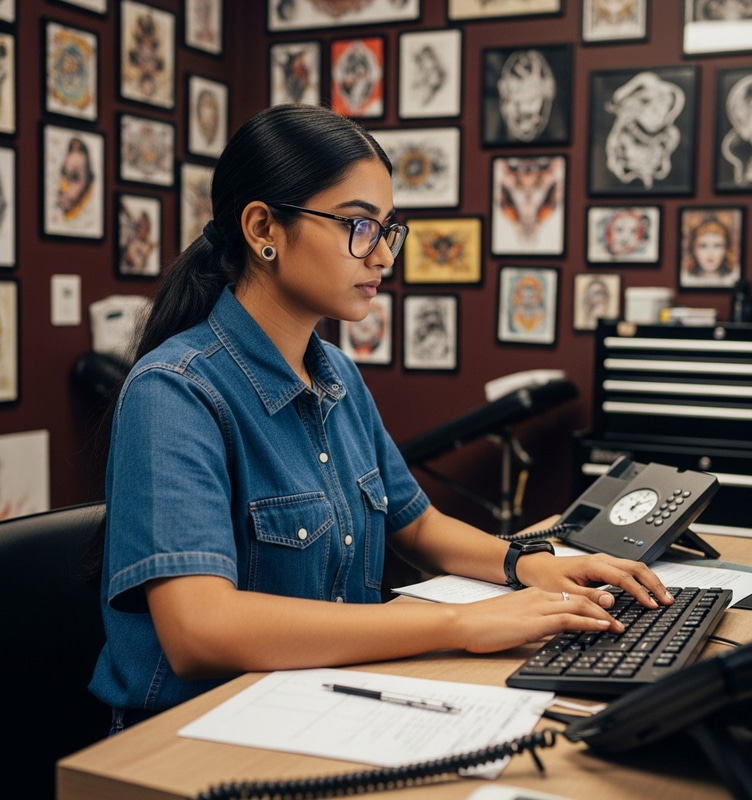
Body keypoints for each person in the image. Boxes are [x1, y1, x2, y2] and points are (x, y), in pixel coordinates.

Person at [89, 103, 672, 731]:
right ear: (263, 228)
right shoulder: (174, 393)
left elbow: (416, 526)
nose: (383, 257)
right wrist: (460, 623)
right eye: (358, 226)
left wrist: (525, 562)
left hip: (320, 702)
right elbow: (201, 630)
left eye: (388, 230)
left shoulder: (337, 374)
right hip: (193, 733)